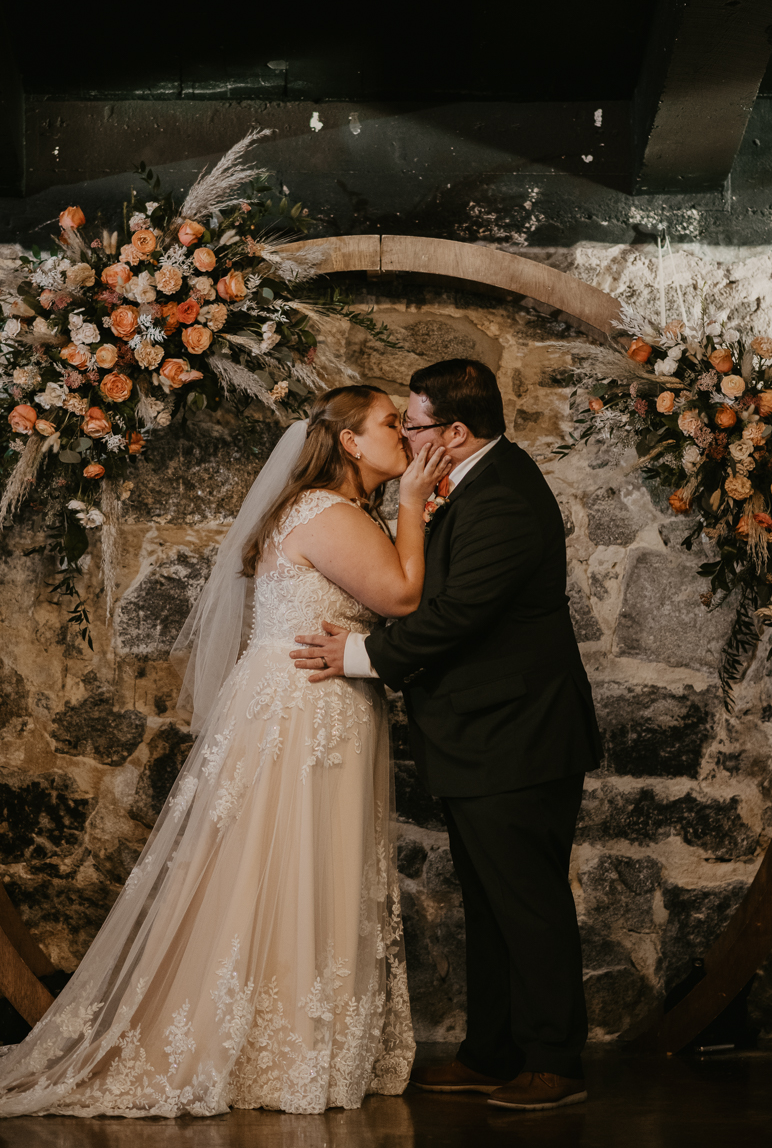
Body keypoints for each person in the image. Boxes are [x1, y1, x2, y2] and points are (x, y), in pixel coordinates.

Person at [0, 384, 450, 1118]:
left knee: (292, 868)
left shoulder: (326, 511)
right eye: (390, 424)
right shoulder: (329, 513)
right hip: (307, 711)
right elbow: (401, 597)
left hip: (311, 703)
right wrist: (414, 502)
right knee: (291, 864)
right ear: (348, 442)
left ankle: (297, 1040)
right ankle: (278, 1049)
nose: (405, 436)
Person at [291, 358, 603, 1112]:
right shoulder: (474, 482)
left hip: (517, 736)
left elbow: (457, 613)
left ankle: (554, 1063)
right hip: (485, 734)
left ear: (455, 432)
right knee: (491, 903)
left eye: (414, 423)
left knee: (526, 903)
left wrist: (360, 657)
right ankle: (491, 1053)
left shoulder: (503, 499)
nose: (405, 434)